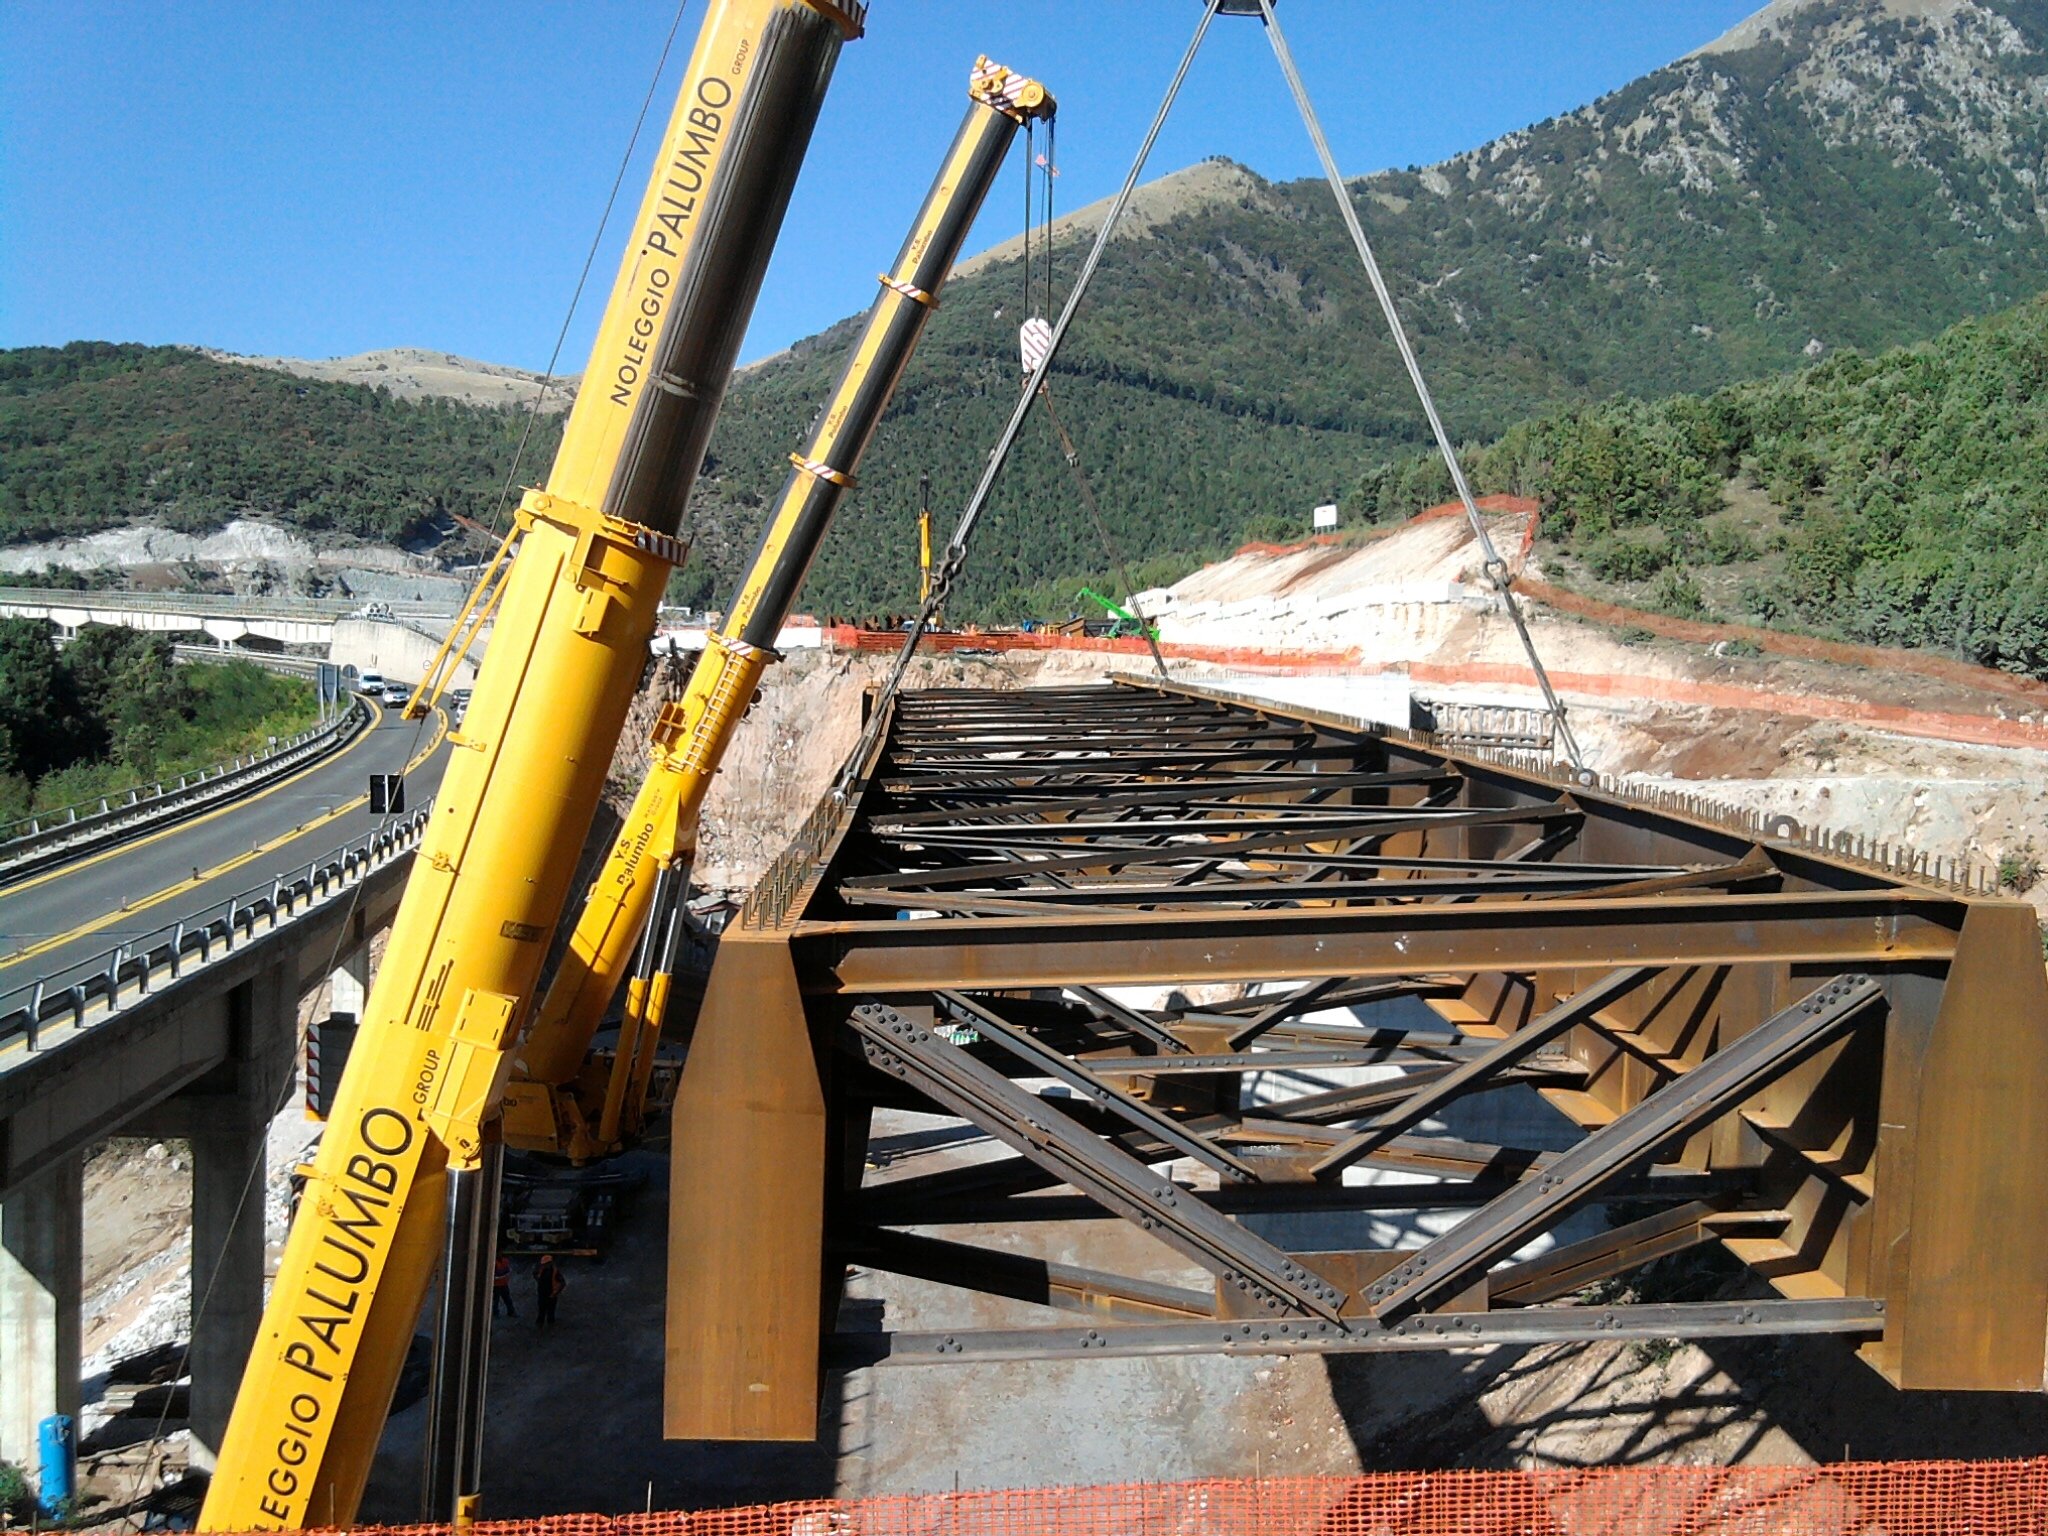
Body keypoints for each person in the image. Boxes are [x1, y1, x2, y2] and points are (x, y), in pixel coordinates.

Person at [533, 1253, 565, 1328]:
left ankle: (550, 1323)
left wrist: (556, 1292)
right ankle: (541, 1323)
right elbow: (535, 1274)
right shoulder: (541, 1269)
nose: (543, 1265)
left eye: (545, 1264)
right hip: (542, 1293)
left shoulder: (555, 1272)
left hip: (551, 1294)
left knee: (550, 1311)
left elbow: (562, 1283)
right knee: (542, 1309)